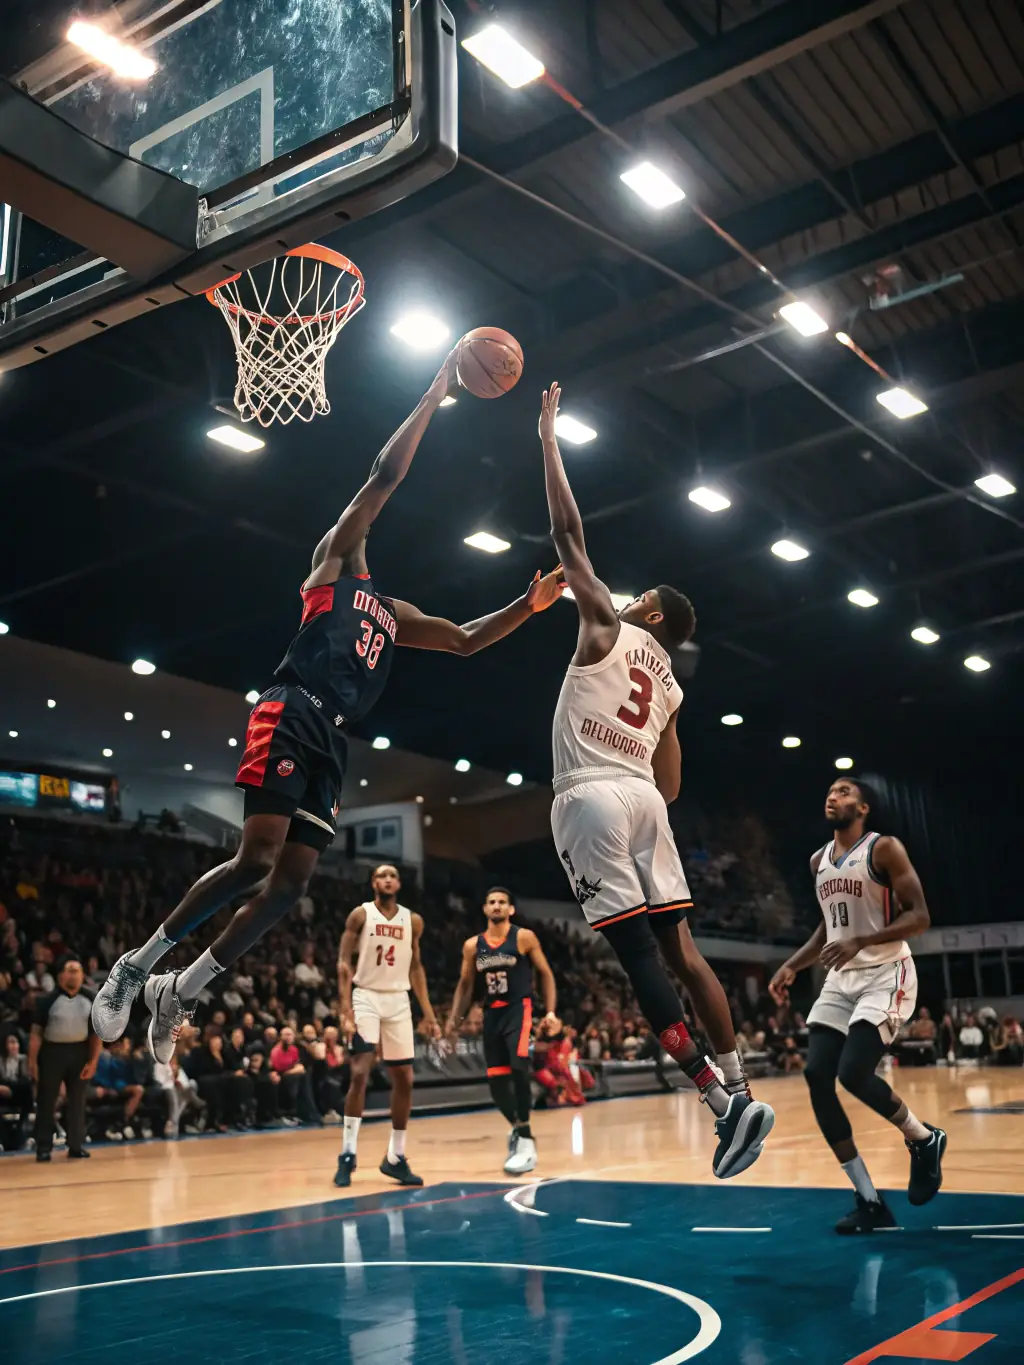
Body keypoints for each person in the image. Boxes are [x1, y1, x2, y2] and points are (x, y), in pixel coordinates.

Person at [93, 354, 564, 1058]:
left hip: (333, 737)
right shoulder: (327, 566)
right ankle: (137, 963)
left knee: (289, 887)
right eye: (359, 517)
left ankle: (181, 988)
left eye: (366, 520)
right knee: (254, 861)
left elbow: (465, 640)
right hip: (291, 708)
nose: (363, 519)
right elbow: (384, 476)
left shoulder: (392, 609)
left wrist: (526, 606)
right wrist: (435, 392)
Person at [536, 382, 773, 1178]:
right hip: (644, 800)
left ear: (656, 615)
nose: (630, 597)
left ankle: (719, 1101)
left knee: (636, 957)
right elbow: (670, 787)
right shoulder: (672, 686)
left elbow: (567, 532)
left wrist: (546, 436)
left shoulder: (607, 621)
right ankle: (740, 1082)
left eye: (643, 598)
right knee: (683, 948)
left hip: (591, 794)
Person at [769, 775, 946, 1234]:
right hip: (842, 978)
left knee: (853, 1073)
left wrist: (862, 941)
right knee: (815, 1075)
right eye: (829, 791)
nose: (833, 796)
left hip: (887, 972)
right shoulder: (818, 862)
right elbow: (829, 929)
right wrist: (792, 965)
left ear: (863, 808)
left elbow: (920, 916)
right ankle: (869, 1201)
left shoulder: (883, 849)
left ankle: (924, 1140)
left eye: (844, 792)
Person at [334, 865, 441, 1187]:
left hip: (398, 1000)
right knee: (359, 1072)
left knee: (405, 1079)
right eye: (382, 876)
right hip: (365, 995)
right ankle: (348, 1154)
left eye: (392, 876)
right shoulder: (360, 915)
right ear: (373, 883)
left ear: (399, 883)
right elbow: (343, 963)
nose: (387, 880)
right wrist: (345, 1009)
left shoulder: (414, 920)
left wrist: (429, 1013)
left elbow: (417, 966)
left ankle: (395, 1157)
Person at [445, 886, 558, 1175]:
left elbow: (545, 973)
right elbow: (466, 986)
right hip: (491, 1014)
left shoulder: (523, 937)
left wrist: (551, 1012)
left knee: (519, 1066)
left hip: (519, 1010)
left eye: (502, 902)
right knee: (496, 1083)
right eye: (491, 902)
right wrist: (454, 1021)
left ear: (511, 910)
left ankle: (526, 1139)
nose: (496, 906)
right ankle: (520, 1131)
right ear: (484, 909)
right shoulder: (473, 946)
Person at [29, 955, 100, 1162]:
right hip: (52, 1052)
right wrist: (32, 1062)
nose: (73, 974)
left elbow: (97, 1034)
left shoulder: (92, 998)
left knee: (78, 1100)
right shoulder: (46, 1000)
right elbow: (36, 1033)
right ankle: (43, 1147)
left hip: (80, 1052)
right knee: (47, 1100)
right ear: (60, 976)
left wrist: (93, 1060)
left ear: (83, 975)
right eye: (69, 970)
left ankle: (76, 1145)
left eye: (77, 971)